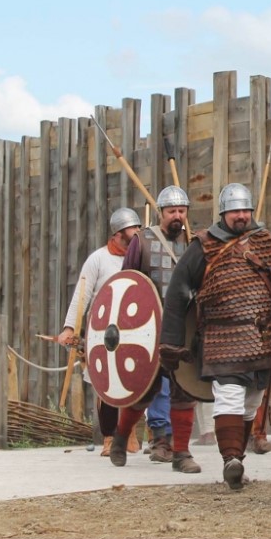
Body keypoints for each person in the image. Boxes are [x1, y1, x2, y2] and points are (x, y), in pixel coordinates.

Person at [158, 183, 271, 491]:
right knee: (229, 396)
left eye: (245, 210)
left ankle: (237, 459)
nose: (241, 215)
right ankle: (230, 459)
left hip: (261, 339)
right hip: (221, 339)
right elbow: (177, 294)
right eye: (235, 211)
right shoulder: (203, 245)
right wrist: (172, 342)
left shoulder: (268, 243)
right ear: (223, 213)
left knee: (251, 403)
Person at [107, 186, 202, 473]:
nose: (177, 216)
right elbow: (127, 284)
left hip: (183, 330)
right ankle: (121, 438)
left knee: (184, 391)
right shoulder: (142, 241)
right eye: (172, 211)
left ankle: (181, 453)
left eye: (182, 211)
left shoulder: (195, 243)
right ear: (161, 212)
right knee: (144, 391)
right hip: (149, 330)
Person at [56, 206, 144, 457]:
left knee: (134, 385)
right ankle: (109, 437)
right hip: (103, 333)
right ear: (118, 233)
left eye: (139, 227)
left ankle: (129, 433)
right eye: (133, 228)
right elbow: (81, 295)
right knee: (107, 387)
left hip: (133, 332)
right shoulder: (98, 259)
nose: (138, 232)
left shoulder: (142, 257)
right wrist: (69, 327)